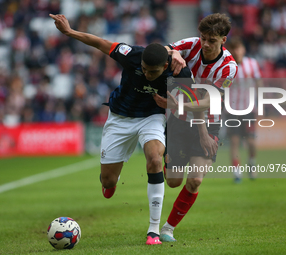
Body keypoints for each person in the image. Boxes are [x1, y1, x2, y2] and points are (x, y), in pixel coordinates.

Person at [49, 13, 193, 245]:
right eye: (144, 69)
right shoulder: (133, 55)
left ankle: (153, 231)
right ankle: (110, 183)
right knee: (107, 181)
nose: (146, 74)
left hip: (151, 117)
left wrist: (171, 105)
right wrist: (69, 32)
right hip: (119, 117)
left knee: (155, 159)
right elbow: (100, 42)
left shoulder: (180, 73)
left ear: (165, 66)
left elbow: (191, 107)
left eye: (152, 72)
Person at [154, 13, 238, 242]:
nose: (206, 44)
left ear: (224, 40)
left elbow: (209, 100)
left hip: (209, 120)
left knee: (196, 179)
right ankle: (169, 162)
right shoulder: (191, 44)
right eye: (204, 38)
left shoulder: (228, 68)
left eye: (212, 40)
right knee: (173, 181)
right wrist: (174, 53)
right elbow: (162, 48)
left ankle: (168, 228)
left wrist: (177, 104)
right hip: (179, 120)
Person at [225, 37, 262, 183]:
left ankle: (252, 163)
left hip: (249, 109)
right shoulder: (227, 66)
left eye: (238, 48)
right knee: (234, 141)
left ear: (243, 49)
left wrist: (261, 103)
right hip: (232, 110)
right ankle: (237, 173)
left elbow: (259, 83)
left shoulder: (252, 64)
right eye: (233, 49)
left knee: (251, 141)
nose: (236, 51)